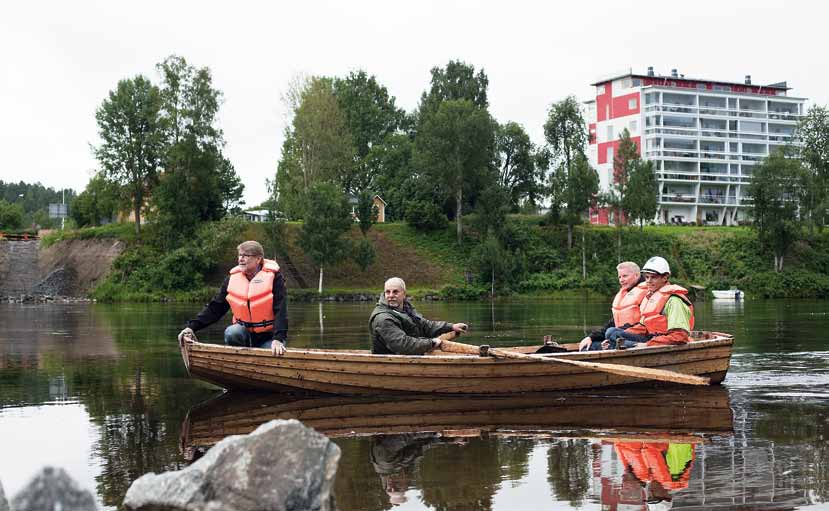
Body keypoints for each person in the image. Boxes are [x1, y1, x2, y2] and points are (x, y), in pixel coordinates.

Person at [177, 240, 288, 356]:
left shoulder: (275, 278)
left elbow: (281, 310)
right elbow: (215, 308)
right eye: (240, 255)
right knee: (232, 332)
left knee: (273, 354)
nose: (241, 259)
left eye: (246, 255)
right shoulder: (231, 279)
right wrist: (191, 327)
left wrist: (278, 339)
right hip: (244, 335)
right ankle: (240, 361)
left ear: (258, 259)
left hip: (269, 337)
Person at [606, 256, 695, 349]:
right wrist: (617, 337)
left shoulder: (674, 301)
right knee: (612, 333)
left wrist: (647, 345)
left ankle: (618, 348)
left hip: (664, 342)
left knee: (617, 342)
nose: (648, 281)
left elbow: (679, 337)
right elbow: (643, 327)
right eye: (647, 277)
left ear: (665, 277)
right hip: (651, 339)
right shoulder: (650, 297)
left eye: (653, 277)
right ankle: (616, 345)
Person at [369, 277, 468, 355]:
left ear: (404, 294)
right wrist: (431, 343)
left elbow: (424, 325)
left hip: (408, 356)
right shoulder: (382, 318)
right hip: (391, 360)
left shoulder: (406, 309)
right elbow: (403, 344)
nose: (391, 295)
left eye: (395, 292)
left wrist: (451, 327)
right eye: (387, 292)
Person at [578, 261, 648, 351]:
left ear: (636, 275)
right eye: (619, 277)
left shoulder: (647, 292)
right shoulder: (625, 293)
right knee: (587, 346)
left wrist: (612, 336)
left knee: (611, 332)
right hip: (619, 335)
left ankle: (616, 344)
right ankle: (612, 344)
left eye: (625, 276)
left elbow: (645, 324)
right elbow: (613, 322)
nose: (621, 280)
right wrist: (591, 337)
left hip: (638, 336)